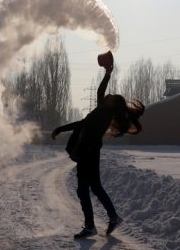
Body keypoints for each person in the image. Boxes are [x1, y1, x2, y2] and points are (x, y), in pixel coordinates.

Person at [51, 51, 145, 239]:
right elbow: (100, 92)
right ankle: (112, 217)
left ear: (112, 104)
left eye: (110, 96)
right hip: (90, 152)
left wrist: (61, 128)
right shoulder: (104, 110)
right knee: (94, 187)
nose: (107, 95)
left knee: (83, 189)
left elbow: (82, 124)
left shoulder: (103, 114)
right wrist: (108, 73)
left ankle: (91, 226)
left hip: (89, 152)